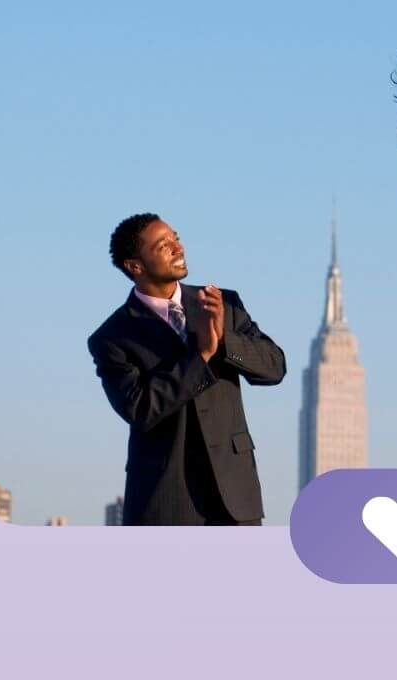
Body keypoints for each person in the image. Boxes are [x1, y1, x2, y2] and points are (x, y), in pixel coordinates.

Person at [87, 214, 286, 525]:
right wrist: (202, 354)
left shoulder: (223, 304)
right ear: (135, 266)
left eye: (175, 238)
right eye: (162, 245)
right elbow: (141, 409)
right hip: (166, 502)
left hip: (236, 500)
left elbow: (275, 368)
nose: (177, 247)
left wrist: (223, 342)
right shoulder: (112, 337)